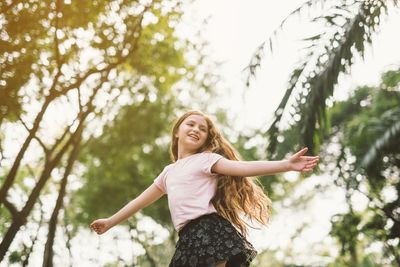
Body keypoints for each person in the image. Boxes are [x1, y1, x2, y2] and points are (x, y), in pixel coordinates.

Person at [90, 110, 319, 267]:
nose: (196, 129)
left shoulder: (206, 160)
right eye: (191, 124)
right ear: (177, 131)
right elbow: (139, 201)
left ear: (206, 139)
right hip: (188, 237)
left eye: (203, 129)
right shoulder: (168, 172)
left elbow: (244, 168)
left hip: (209, 230)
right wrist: (110, 222)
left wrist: (286, 165)